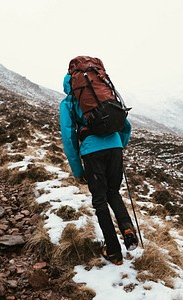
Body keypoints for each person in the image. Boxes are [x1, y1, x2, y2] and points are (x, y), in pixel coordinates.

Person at [59, 72, 138, 265]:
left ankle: (113, 251)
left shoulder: (68, 102)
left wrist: (78, 171)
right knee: (114, 192)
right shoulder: (105, 96)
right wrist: (120, 145)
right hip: (115, 147)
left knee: (100, 200)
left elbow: (69, 138)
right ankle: (127, 228)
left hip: (92, 152)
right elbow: (125, 125)